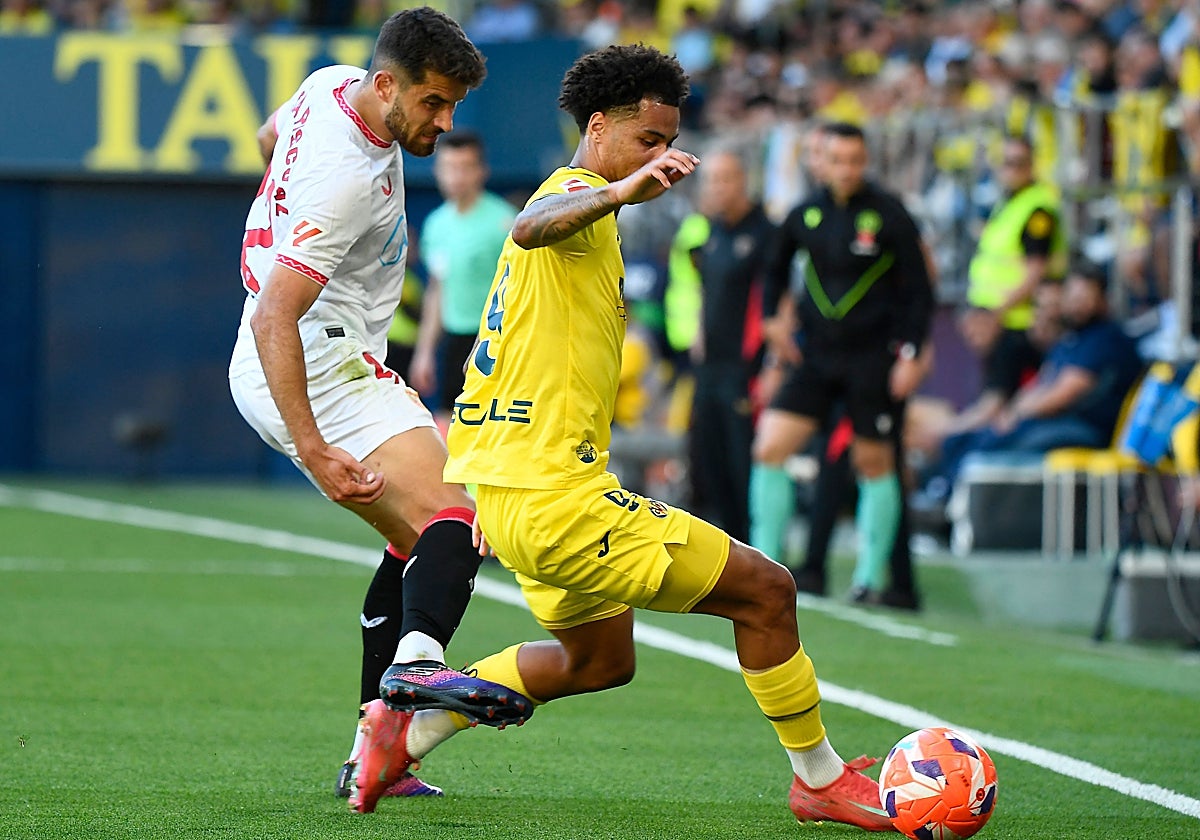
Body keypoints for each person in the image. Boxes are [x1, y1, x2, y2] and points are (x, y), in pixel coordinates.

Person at [351, 45, 894, 830]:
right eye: (648, 141)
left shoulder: (584, 212)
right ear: (599, 128)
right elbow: (537, 225)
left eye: (669, 142)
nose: (661, 157)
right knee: (768, 592)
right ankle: (819, 779)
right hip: (559, 501)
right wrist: (620, 191)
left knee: (600, 660)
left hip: (513, 497)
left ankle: (405, 734)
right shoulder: (572, 198)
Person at [226, 7, 521, 804]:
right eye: (433, 102)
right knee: (459, 517)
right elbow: (275, 313)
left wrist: (277, 215)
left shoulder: (328, 84)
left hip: (305, 354)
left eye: (455, 105)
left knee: (414, 541)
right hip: (313, 360)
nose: (445, 121)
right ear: (387, 85)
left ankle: (377, 755)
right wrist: (316, 447)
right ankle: (416, 667)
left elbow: (267, 141)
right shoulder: (349, 180)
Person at [750, 121, 935, 604]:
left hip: (871, 358)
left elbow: (920, 292)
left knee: (874, 462)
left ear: (865, 162)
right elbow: (773, 269)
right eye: (838, 160)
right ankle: (767, 567)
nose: (847, 169)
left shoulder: (890, 215)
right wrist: (772, 320)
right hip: (814, 355)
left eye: (856, 160)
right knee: (770, 446)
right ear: (823, 161)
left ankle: (870, 579)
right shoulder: (805, 213)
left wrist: (912, 353)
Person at [932, 263, 1143, 489]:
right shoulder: (1071, 339)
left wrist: (1016, 414)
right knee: (974, 439)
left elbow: (1063, 393)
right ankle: (944, 493)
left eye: (1085, 295)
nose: (1077, 303)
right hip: (1054, 421)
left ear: (1103, 298)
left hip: (1087, 429)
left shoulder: (1104, 338)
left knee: (995, 451)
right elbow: (1041, 385)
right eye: (1072, 295)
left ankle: (962, 500)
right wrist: (1012, 413)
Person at [684, 146, 775, 543]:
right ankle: (726, 545)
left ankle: (758, 545)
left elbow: (778, 302)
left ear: (743, 182)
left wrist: (772, 365)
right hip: (711, 367)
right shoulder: (712, 232)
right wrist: (700, 334)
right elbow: (709, 289)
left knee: (744, 464)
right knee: (708, 458)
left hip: (747, 368)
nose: (718, 188)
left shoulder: (766, 235)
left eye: (726, 179)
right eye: (712, 181)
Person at [408, 130, 516, 426]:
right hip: (454, 343)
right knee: (449, 428)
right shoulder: (435, 224)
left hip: (496, 343)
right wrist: (425, 352)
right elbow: (437, 290)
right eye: (448, 168)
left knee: (493, 430)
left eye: (464, 168)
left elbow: (520, 289)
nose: (456, 177)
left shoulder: (505, 222)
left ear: (481, 171)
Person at [966, 135, 1067, 341]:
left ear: (1031, 165)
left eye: (1019, 163)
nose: (1011, 170)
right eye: (1006, 163)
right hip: (993, 317)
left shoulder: (1037, 209)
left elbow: (1035, 271)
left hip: (1016, 321)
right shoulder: (1008, 201)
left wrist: (996, 314)